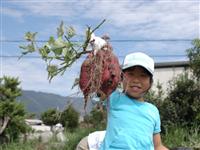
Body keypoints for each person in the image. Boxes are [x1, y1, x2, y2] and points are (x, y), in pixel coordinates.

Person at [99, 52, 168, 150]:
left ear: (150, 82)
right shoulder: (113, 97)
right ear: (121, 78)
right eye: (131, 74)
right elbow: (98, 81)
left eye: (143, 75)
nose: (136, 80)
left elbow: (158, 146)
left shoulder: (153, 111)